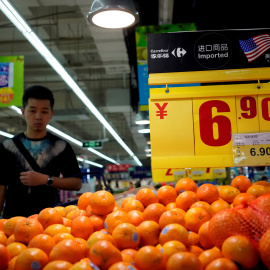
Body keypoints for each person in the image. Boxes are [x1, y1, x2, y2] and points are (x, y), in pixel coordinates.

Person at [0, 85, 82, 218]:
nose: (38, 117)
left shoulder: (61, 146)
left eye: (44, 111)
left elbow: (76, 183)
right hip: (13, 221)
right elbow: (1, 186)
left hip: (49, 222)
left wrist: (46, 180)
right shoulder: (7, 146)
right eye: (32, 111)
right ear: (22, 112)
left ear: (51, 114)